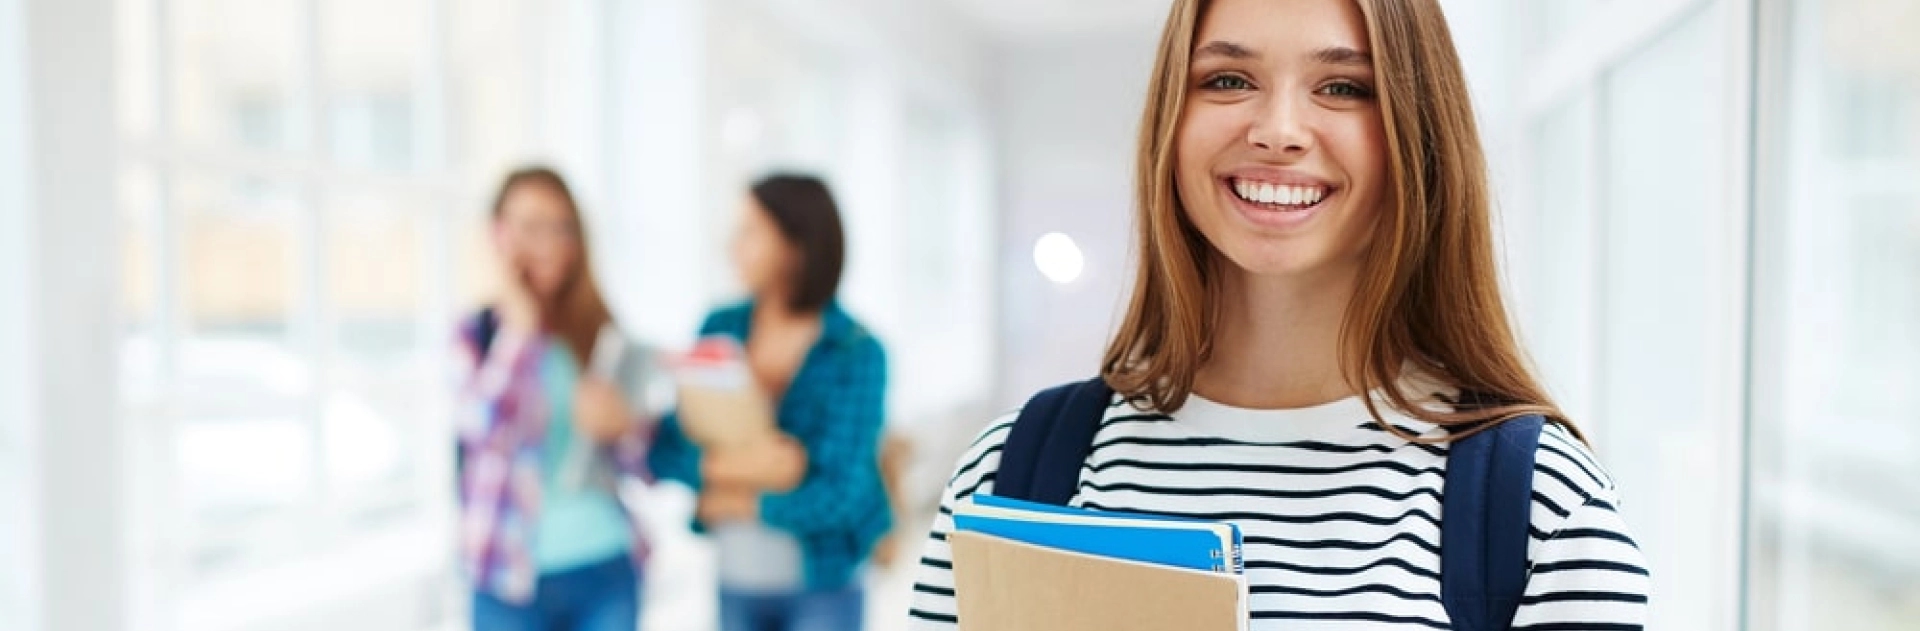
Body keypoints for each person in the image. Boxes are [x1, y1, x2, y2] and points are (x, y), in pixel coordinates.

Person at [907, 0, 1651, 629]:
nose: (1279, 129)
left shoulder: (1543, 509)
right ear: (1171, 114)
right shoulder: (1012, 473)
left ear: (1416, 134)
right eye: (1228, 79)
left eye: (1343, 87)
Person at [650, 174, 890, 631]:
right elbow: (667, 449)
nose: (732, 247)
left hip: (825, 586)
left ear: (795, 245)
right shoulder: (719, 327)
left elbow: (842, 492)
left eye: (749, 231)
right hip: (738, 578)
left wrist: (738, 503)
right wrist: (752, 468)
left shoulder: (856, 351)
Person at [454, 167, 661, 631]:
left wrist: (623, 427)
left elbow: (646, 467)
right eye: (530, 226)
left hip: (603, 564)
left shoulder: (599, 334)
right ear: (498, 235)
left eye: (561, 227)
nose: (547, 242)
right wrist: (521, 329)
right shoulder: (476, 336)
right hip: (506, 577)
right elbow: (482, 434)